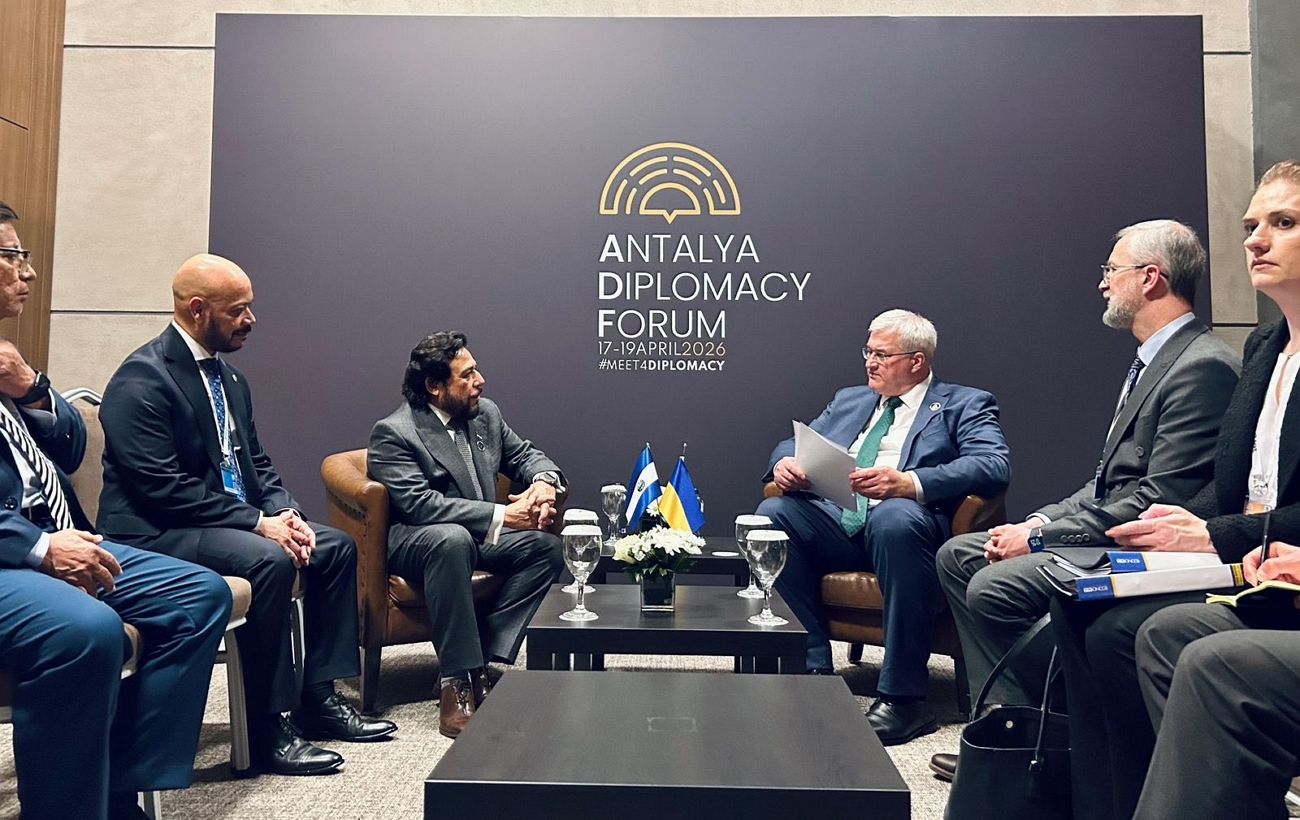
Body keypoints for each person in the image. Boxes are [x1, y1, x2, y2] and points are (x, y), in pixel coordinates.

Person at [930, 220, 1239, 781]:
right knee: (959, 555)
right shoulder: (1153, 360)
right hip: (1111, 528)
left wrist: (1040, 537)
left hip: (1153, 548)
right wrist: (1038, 520)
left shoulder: (1202, 366)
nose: (1102, 283)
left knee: (993, 585)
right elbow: (1104, 484)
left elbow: (1158, 498)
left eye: (1111, 270)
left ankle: (1063, 738)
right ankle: (1012, 727)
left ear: (1150, 278)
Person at [1048, 160, 1300, 820]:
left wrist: (1211, 533)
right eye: (1251, 225)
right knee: (1088, 610)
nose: (1255, 240)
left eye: (1283, 222)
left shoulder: (1207, 360)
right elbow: (1231, 488)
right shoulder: (1265, 347)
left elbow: (1243, 512)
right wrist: (1177, 531)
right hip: (1247, 558)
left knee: (1166, 638)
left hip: (1268, 565)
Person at [98, 253, 396, 777]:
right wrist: (259, 524)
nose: (251, 320)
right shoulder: (140, 380)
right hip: (158, 531)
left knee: (332, 548)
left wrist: (285, 512)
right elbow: (163, 489)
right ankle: (267, 726)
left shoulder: (230, 380)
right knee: (267, 560)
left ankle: (318, 698)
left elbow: (256, 462)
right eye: (237, 310)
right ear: (197, 310)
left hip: (226, 522)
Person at [0, 203, 232, 819]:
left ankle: (118, 788)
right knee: (88, 631)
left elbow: (73, 446)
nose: (28, 272)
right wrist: (41, 548)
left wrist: (31, 387)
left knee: (201, 596)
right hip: (13, 554)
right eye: (12, 256)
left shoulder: (5, 355)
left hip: (58, 534)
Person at [757, 308, 1010, 745]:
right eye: (868, 352)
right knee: (773, 515)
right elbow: (794, 442)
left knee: (894, 516)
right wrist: (785, 463)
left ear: (917, 360)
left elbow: (993, 463)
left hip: (907, 532)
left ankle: (903, 699)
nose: (870, 363)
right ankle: (810, 669)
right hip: (839, 520)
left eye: (882, 355)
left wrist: (910, 483)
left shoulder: (964, 403)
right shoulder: (850, 399)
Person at [367, 332, 564, 738]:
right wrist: (504, 515)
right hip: (419, 540)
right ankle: (455, 683)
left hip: (474, 534)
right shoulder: (394, 432)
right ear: (434, 386)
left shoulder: (484, 414)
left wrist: (543, 482)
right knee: (452, 539)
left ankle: (481, 663)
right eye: (467, 375)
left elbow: (525, 455)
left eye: (476, 370)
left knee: (545, 548)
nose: (480, 381)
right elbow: (422, 506)